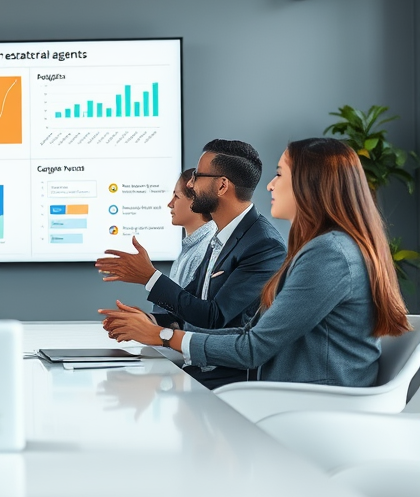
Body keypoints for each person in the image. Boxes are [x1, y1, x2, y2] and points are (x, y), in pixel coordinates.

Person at [100, 138, 411, 387]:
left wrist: (164, 336)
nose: (269, 186)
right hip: (293, 392)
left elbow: (251, 347)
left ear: (309, 184)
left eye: (279, 174)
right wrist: (156, 327)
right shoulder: (324, 248)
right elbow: (251, 332)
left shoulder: (329, 255)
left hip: (313, 401)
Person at [95, 139, 286, 388]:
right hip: (199, 369)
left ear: (221, 185)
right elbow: (193, 306)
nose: (190, 183)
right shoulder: (221, 235)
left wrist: (149, 277)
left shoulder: (264, 244)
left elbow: (214, 317)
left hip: (230, 382)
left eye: (197, 175)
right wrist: (148, 321)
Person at [165, 168, 216, 290]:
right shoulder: (190, 248)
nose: (170, 204)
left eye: (176, 196)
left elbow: (187, 306)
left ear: (195, 200)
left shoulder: (205, 249)